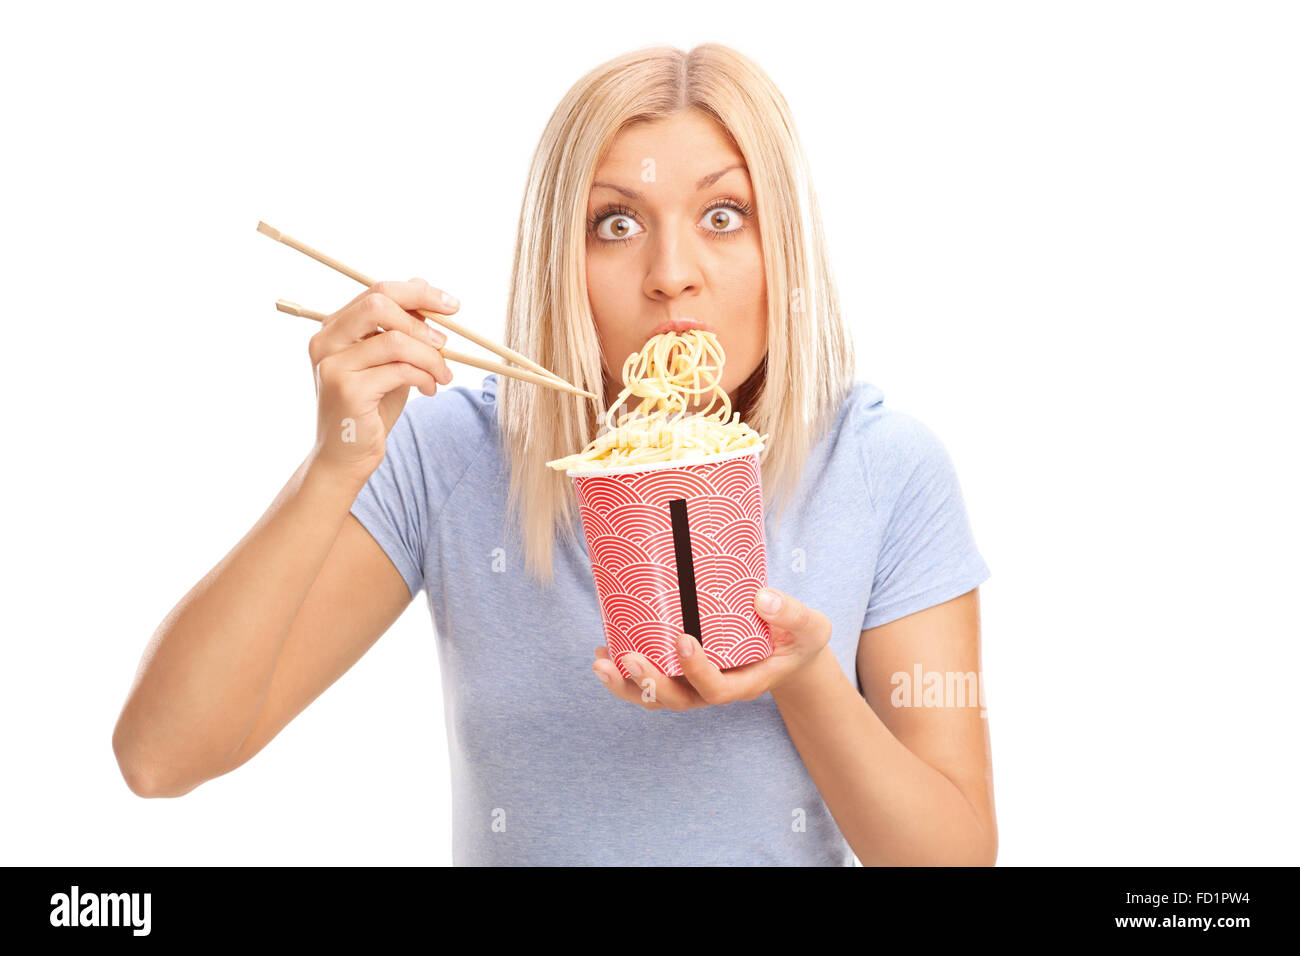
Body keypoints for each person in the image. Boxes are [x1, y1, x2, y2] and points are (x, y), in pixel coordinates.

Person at [113, 43, 997, 866]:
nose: (670, 273)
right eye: (615, 224)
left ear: (785, 251)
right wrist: (335, 464)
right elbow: (160, 759)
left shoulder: (885, 467)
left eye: (724, 215)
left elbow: (953, 856)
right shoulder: (452, 451)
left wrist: (804, 681)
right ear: (558, 262)